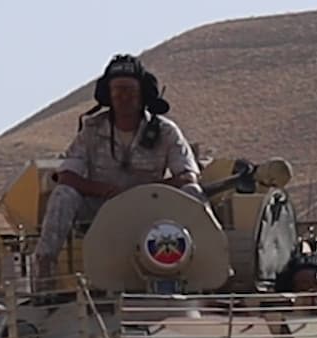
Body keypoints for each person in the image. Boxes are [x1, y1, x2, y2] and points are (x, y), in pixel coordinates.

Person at [33, 54, 206, 286]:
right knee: (63, 194)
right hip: (101, 207)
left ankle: (207, 266)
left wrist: (145, 191)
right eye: (117, 90)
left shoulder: (166, 132)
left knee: (193, 192)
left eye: (130, 90)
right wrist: (104, 190)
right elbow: (67, 176)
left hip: (152, 208)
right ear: (108, 94)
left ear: (142, 93)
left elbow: (187, 176)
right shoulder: (92, 130)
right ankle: (45, 271)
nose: (123, 96)